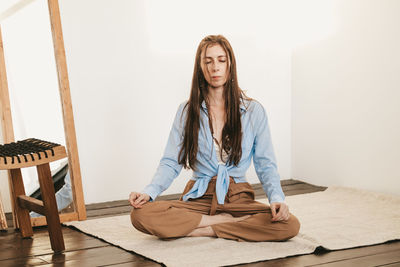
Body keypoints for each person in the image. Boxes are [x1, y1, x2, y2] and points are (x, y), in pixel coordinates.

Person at [129, 35, 300, 242]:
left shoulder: (253, 111)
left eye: (221, 60)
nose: (214, 67)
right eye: (208, 61)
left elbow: (266, 164)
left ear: (230, 64)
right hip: (199, 195)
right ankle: (226, 224)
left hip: (237, 197)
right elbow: (170, 161)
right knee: (140, 215)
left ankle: (205, 228)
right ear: (200, 67)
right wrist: (149, 192)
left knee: (289, 224)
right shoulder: (186, 111)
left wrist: (277, 198)